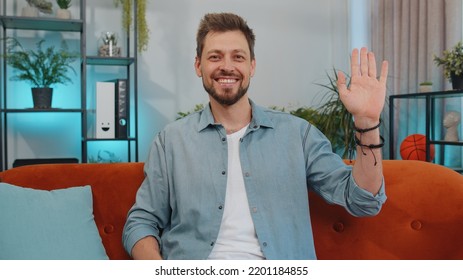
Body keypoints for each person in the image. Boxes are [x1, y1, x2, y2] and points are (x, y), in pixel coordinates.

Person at [123, 12, 389, 260]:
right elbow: (141, 222)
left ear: (252, 66)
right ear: (198, 65)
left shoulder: (298, 134)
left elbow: (363, 201)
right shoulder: (170, 141)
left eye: (237, 57)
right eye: (215, 57)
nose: (227, 67)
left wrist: (367, 122)